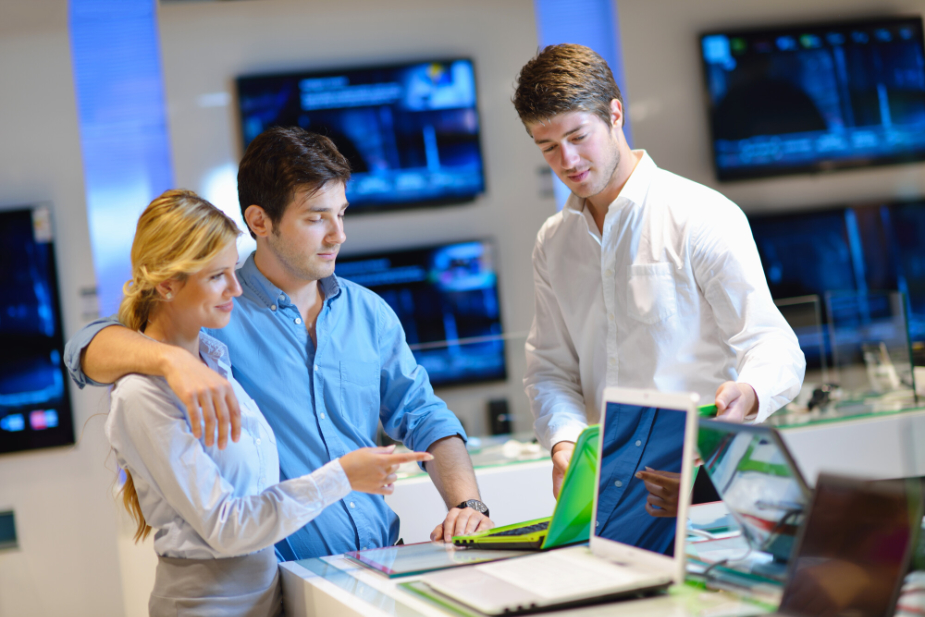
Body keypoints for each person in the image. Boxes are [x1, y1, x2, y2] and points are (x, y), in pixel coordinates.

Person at [66, 128, 493, 559]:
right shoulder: (213, 316)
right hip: (290, 583)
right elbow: (85, 351)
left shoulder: (369, 313)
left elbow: (423, 414)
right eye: (316, 218)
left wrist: (467, 504)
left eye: (341, 214)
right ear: (259, 222)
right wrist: (172, 362)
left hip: (384, 560)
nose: (338, 235)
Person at [512, 44, 805, 520]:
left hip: (709, 481)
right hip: (610, 487)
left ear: (615, 114)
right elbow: (550, 369)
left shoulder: (702, 216)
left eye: (578, 136)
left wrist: (749, 392)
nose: (567, 160)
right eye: (547, 147)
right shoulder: (553, 242)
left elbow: (773, 344)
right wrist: (563, 441)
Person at [109, 189, 432, 616]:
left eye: (233, 270)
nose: (236, 288)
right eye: (217, 276)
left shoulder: (215, 360)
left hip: (270, 598)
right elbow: (226, 528)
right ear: (167, 284)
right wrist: (341, 477)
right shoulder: (141, 396)